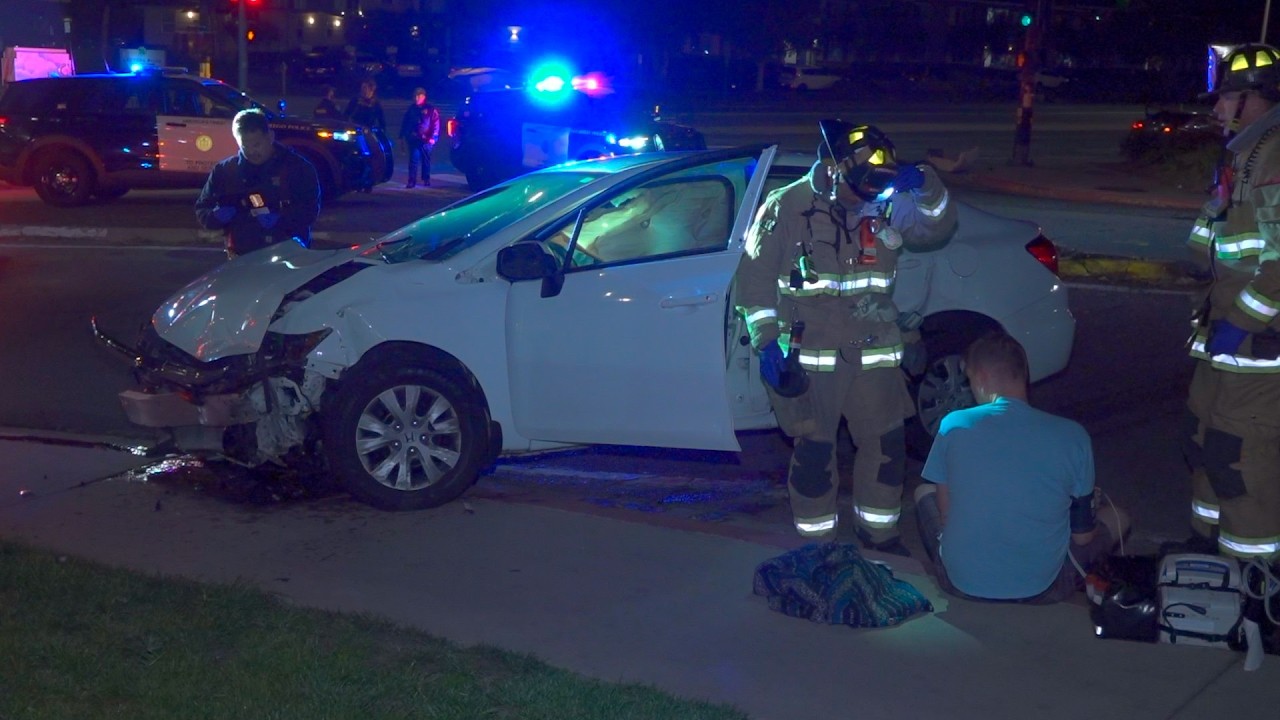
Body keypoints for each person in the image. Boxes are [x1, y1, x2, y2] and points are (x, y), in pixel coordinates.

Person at [734, 121, 957, 555]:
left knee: (887, 449)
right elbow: (754, 281)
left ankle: (879, 535)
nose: (866, 201)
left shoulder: (884, 198)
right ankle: (817, 547)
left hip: (875, 352)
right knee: (815, 454)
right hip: (811, 360)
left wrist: (926, 185)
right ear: (835, 171)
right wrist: (767, 344)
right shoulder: (787, 206)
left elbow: (936, 228)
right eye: (859, 192)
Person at [914, 331, 1130, 603]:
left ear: (981, 376)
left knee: (924, 492)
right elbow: (1083, 537)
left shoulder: (953, 425)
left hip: (960, 582)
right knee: (1119, 517)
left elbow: (946, 517)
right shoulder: (1073, 435)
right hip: (1044, 589)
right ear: (1023, 374)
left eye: (969, 381)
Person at [1181, 43, 1280, 561]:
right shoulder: (1242, 154)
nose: (1217, 109)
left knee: (1241, 459)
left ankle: (1255, 576)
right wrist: (1214, 209)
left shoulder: (1276, 154)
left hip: (1259, 346)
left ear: (1254, 98)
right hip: (1221, 335)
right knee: (1202, 443)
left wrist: (1242, 321)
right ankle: (1206, 554)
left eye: (1226, 98)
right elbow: (1207, 249)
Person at [194, 109, 321, 259]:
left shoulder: (297, 168)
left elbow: (310, 210)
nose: (252, 152)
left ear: (270, 137)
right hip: (242, 256)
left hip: (289, 255)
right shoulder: (225, 171)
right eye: (245, 146)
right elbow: (203, 208)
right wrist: (215, 217)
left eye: (257, 145)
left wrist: (281, 219)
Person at [399, 86, 440, 188]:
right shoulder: (411, 109)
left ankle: (426, 179)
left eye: (418, 96)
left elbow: (435, 123)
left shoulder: (430, 109)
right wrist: (402, 135)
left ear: (423, 97)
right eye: (415, 96)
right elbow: (405, 122)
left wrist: (433, 137)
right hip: (414, 138)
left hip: (426, 139)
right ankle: (411, 181)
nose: (416, 98)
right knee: (413, 160)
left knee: (426, 160)